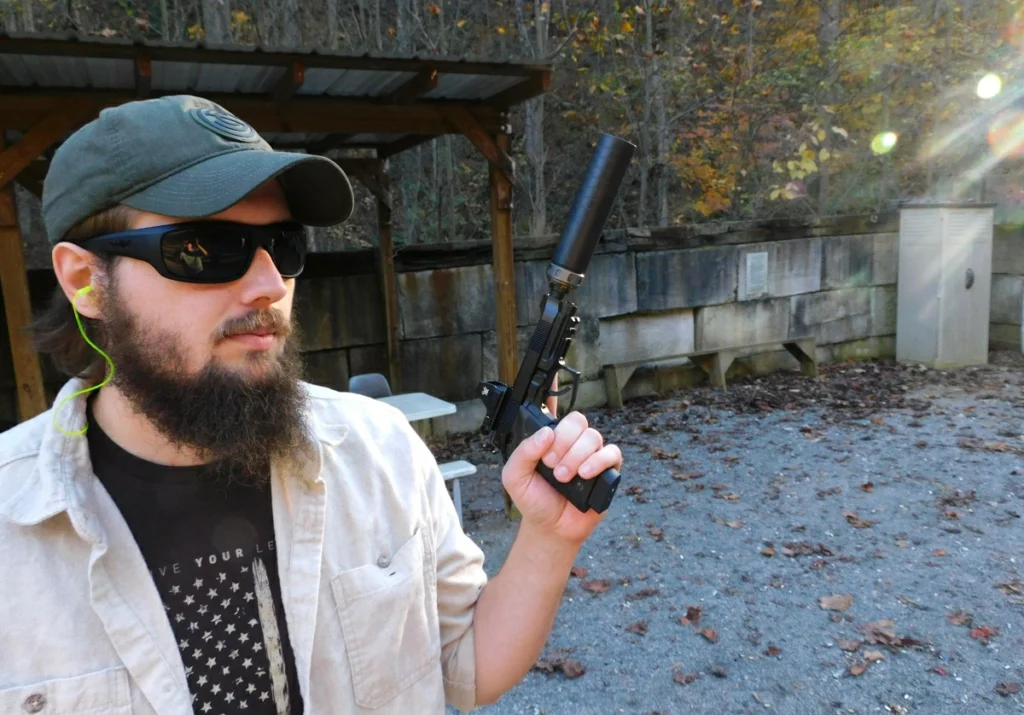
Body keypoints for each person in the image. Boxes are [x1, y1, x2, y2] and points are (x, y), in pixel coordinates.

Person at [0, 95, 622, 715]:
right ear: (85, 281)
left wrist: (548, 539)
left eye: (284, 245)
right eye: (204, 249)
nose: (271, 284)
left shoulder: (380, 449)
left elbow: (464, 666)